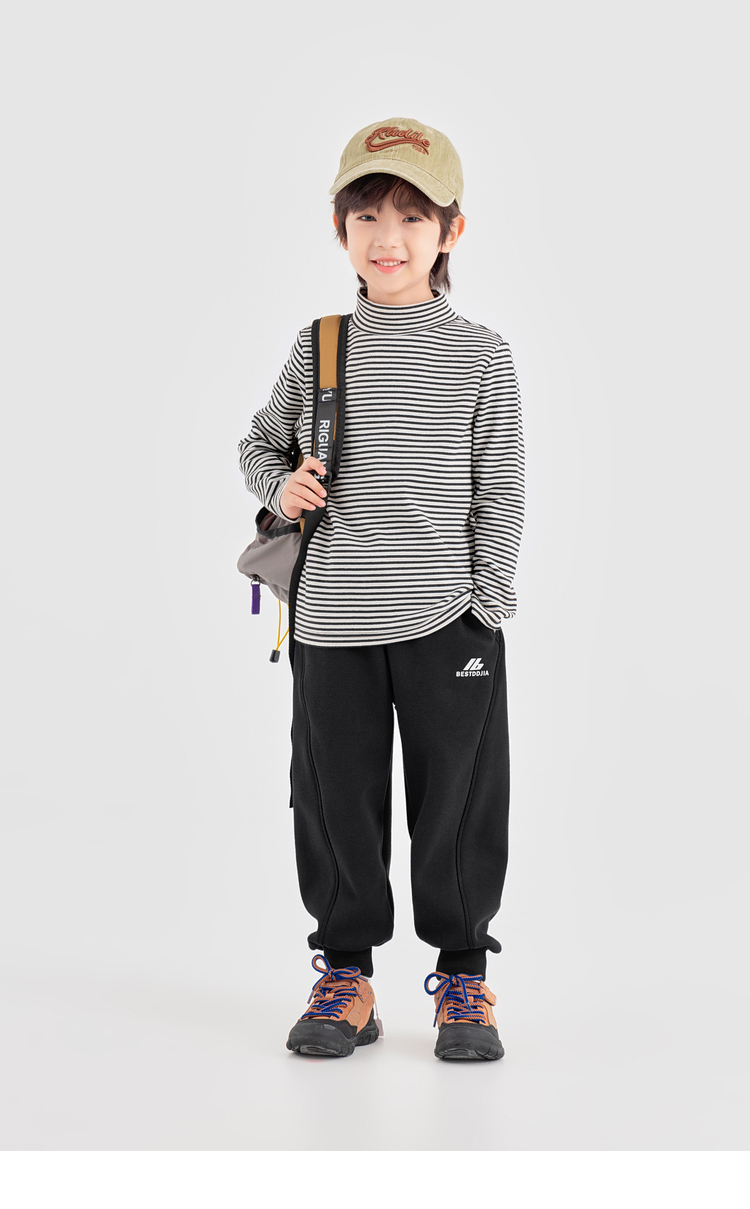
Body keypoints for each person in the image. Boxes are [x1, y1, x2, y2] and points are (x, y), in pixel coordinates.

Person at [238, 117, 526, 1061]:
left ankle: (464, 977)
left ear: (451, 230)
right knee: (334, 801)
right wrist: (280, 485)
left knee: (459, 803)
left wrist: (487, 604)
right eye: (366, 216)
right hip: (330, 618)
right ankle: (345, 975)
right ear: (339, 228)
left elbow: (499, 486)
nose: (387, 237)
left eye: (411, 216)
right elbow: (260, 443)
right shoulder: (321, 345)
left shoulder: (481, 354)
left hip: (450, 621)